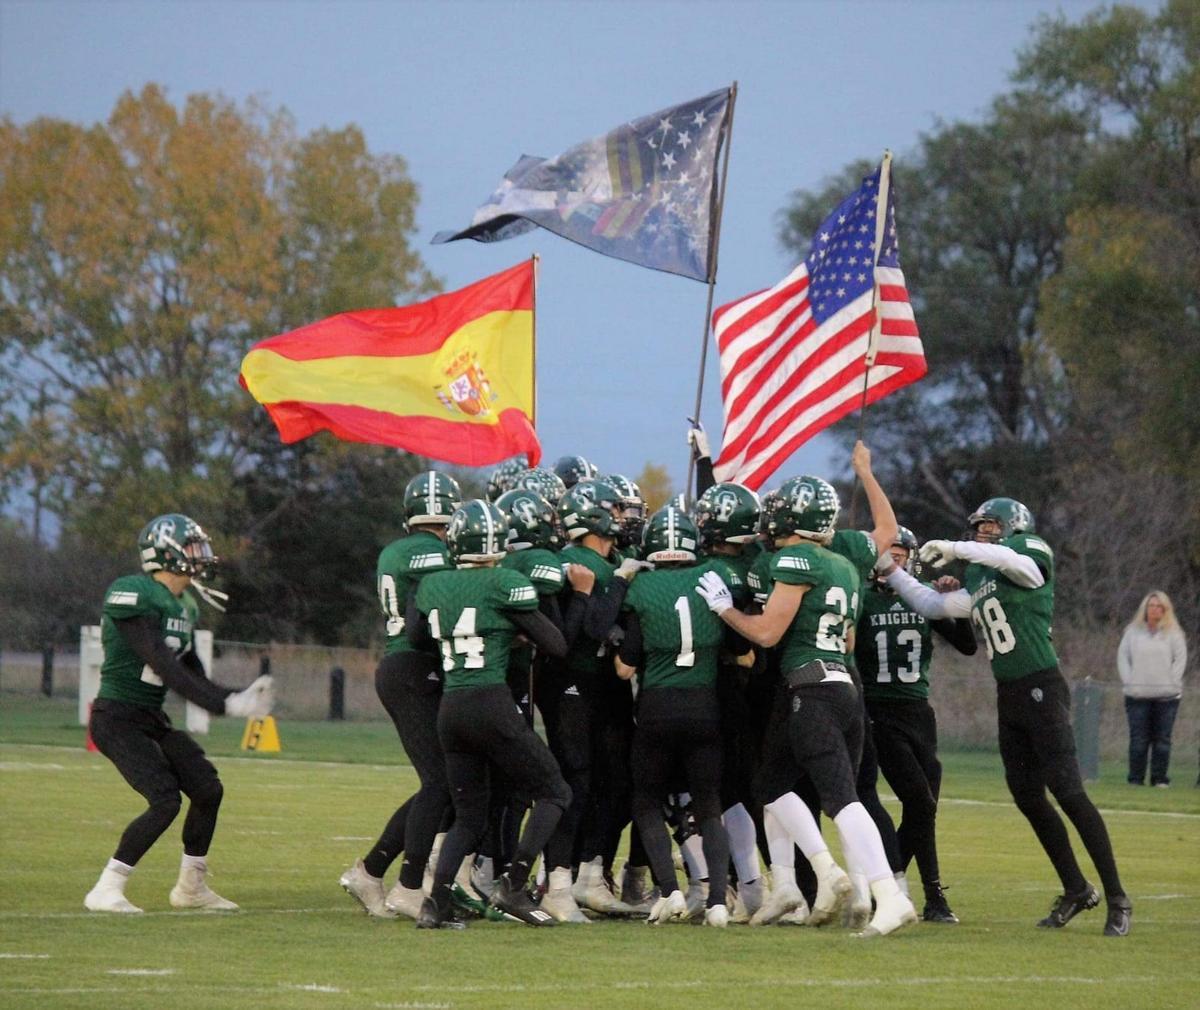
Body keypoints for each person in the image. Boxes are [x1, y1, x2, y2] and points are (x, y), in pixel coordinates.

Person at [878, 497, 1132, 937]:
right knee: (1027, 796)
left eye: (990, 526)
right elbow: (937, 607)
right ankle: (1076, 888)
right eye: (978, 527)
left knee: (1069, 792)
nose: (982, 533)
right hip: (1010, 693)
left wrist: (957, 548)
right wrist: (893, 572)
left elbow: (1014, 562)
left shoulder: (1030, 553)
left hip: (1042, 685)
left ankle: (1118, 897)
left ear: (1013, 526)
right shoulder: (982, 573)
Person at [695, 476, 918, 938]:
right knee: (770, 784)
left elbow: (766, 634)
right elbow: (884, 535)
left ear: (793, 518)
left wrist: (724, 609)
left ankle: (887, 894)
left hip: (811, 687)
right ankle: (826, 875)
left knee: (842, 799)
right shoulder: (845, 559)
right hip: (844, 685)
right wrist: (867, 471)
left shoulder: (796, 559)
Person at [84, 514, 274, 914]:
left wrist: (233, 698)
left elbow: (191, 673)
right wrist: (225, 704)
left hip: (150, 718)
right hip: (116, 717)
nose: (200, 554)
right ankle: (106, 887)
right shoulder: (134, 593)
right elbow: (162, 662)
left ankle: (191, 887)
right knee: (165, 799)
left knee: (207, 789)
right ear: (166, 552)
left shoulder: (182, 603)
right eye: (191, 547)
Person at [412, 499, 573, 929]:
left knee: (469, 817)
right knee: (556, 791)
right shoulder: (506, 582)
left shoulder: (433, 585)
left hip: (451, 709)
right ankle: (514, 884)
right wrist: (513, 631)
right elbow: (556, 645)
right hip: (491, 702)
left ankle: (435, 904)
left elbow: (417, 634)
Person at [339, 471, 460, 919]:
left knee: (441, 783)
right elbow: (432, 612)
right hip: (416, 666)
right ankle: (405, 883)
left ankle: (372, 872)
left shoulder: (395, 550)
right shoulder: (436, 553)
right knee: (441, 783)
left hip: (400, 665)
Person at [616, 506, 744, 927]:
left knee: (647, 802)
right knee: (709, 806)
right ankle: (720, 902)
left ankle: (670, 890)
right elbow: (742, 653)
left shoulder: (643, 588)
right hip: (705, 706)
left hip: (656, 708)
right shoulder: (714, 577)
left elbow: (625, 667)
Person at [855, 525, 977, 923]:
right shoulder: (862, 598)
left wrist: (948, 603)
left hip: (920, 713)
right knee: (921, 802)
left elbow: (967, 645)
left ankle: (891, 887)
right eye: (888, 551)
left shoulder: (923, 598)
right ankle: (933, 896)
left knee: (922, 809)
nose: (895, 559)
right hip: (879, 712)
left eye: (901, 552)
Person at [1118, 590, 1187, 787]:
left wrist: (1171, 682)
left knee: (1162, 741)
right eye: (1151, 606)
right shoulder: (1132, 632)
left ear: (1165, 610)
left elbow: (1180, 659)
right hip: (1137, 695)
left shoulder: (1174, 633)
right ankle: (1135, 779)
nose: (1154, 610)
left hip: (1167, 698)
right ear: (1145, 608)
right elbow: (1123, 657)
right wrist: (1129, 681)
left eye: (1159, 606)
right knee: (1138, 742)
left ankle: (1159, 779)